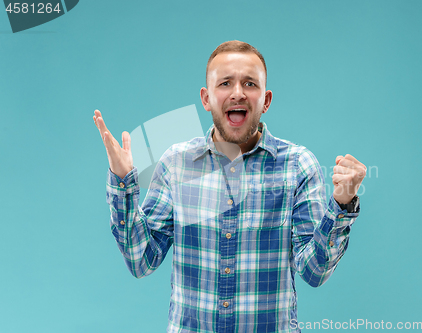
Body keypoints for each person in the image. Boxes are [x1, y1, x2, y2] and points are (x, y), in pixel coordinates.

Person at [93, 40, 366, 333]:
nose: (238, 93)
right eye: (225, 83)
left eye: (250, 84)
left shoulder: (298, 165)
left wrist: (342, 203)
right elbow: (141, 260)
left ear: (266, 100)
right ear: (207, 98)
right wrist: (122, 181)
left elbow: (315, 271)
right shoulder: (176, 163)